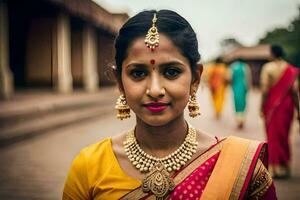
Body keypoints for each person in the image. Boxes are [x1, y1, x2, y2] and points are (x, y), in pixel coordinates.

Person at [63, 10, 277, 199]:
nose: (155, 90)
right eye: (138, 73)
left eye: (171, 72)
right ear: (120, 82)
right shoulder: (89, 167)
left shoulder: (237, 165)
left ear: (195, 78)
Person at [260, 45, 299, 179]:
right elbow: (294, 92)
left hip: (272, 106)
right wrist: (298, 110)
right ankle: (284, 166)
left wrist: (261, 106)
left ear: (272, 53)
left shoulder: (268, 68)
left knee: (273, 136)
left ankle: (275, 168)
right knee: (283, 136)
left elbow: (265, 91)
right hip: (287, 107)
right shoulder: (290, 69)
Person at [229, 59, 252, 129]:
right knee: (243, 104)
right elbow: (249, 78)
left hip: (236, 87)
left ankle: (239, 120)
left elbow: (230, 78)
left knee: (237, 104)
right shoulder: (246, 67)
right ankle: (242, 120)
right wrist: (249, 87)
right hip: (244, 87)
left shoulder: (233, 67)